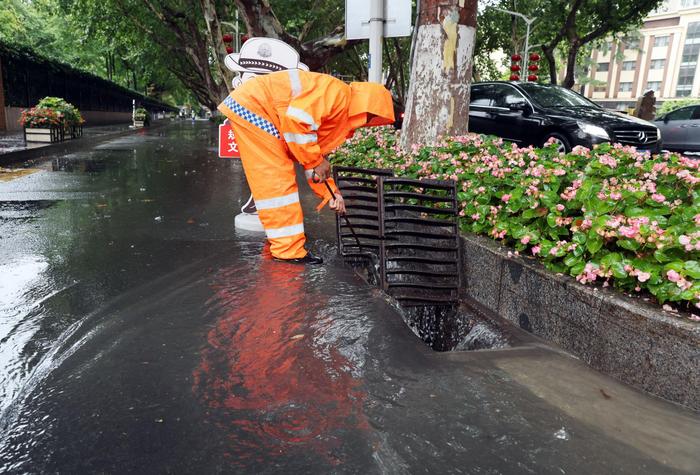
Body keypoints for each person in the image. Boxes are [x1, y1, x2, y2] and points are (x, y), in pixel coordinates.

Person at [217, 69, 394, 264]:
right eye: (370, 117)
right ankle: (288, 252)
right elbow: (298, 123)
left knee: (277, 182)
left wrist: (331, 193)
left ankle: (286, 245)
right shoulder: (338, 95)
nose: (367, 122)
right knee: (276, 184)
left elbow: (312, 157)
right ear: (368, 106)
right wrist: (316, 161)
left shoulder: (341, 115)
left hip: (259, 108)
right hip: (255, 108)